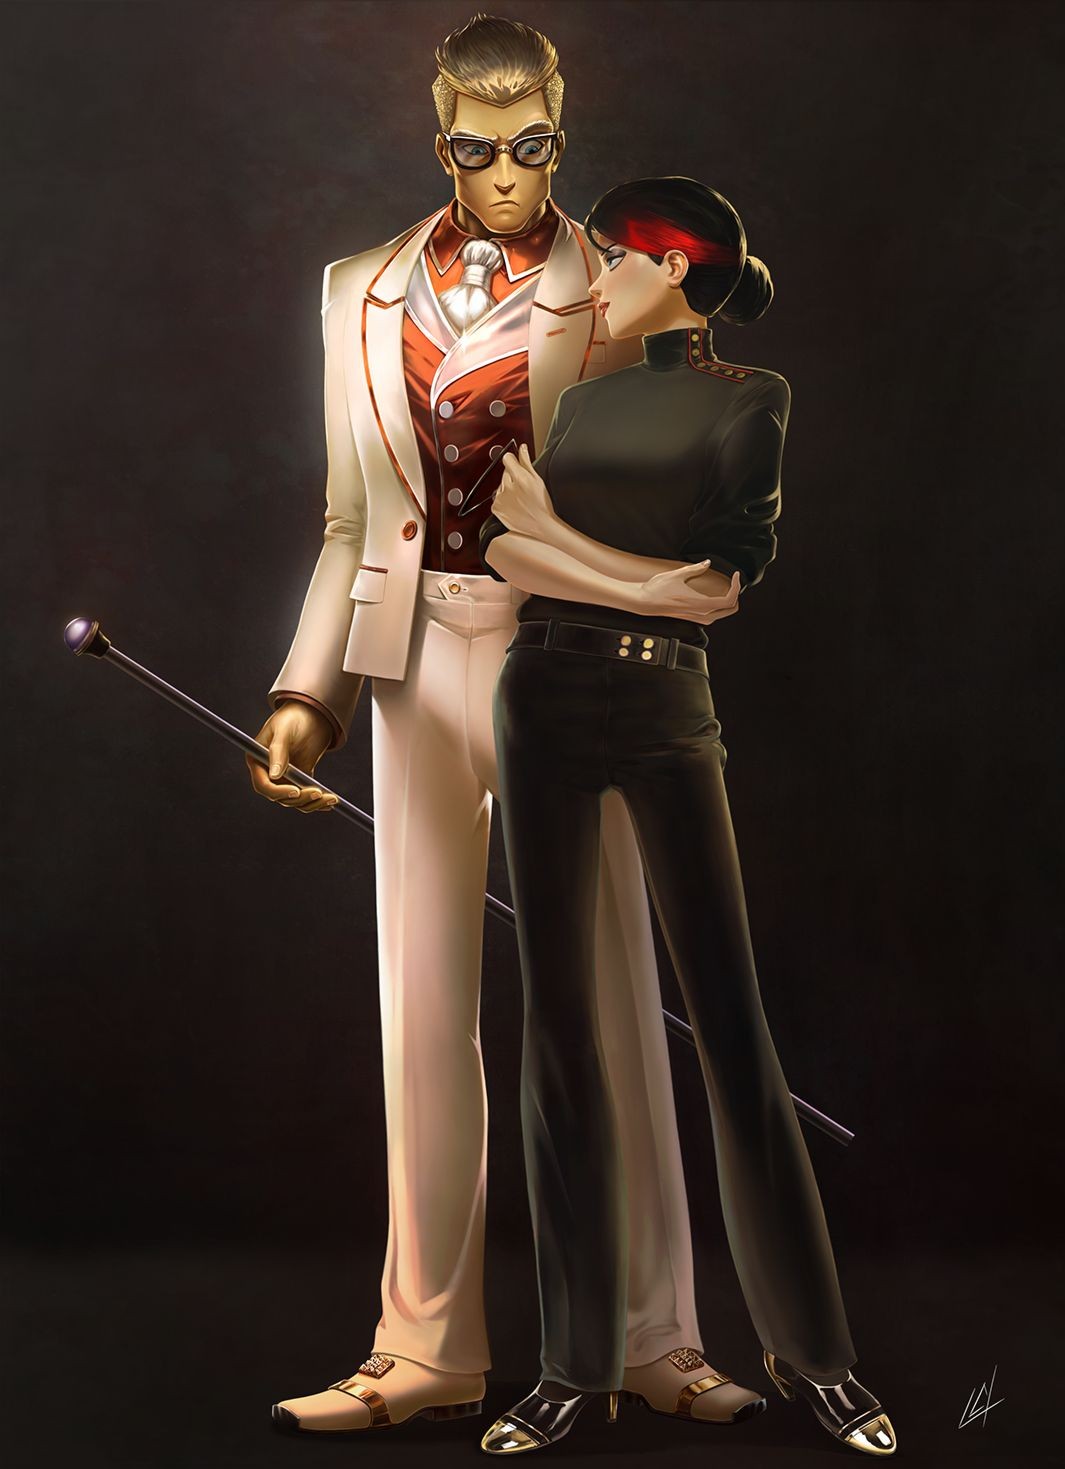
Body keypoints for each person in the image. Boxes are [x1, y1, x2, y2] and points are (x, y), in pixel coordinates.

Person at [247, 15, 757, 1437]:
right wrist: (304, 693)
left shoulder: (621, 289)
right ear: (441, 144)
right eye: (480, 150)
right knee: (421, 1008)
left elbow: (667, 484)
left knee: (609, 998)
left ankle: (655, 1334)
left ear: (560, 135)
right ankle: (423, 1345)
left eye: (533, 145)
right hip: (409, 659)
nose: (510, 174)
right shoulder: (354, 291)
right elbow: (349, 517)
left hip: (568, 663)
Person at [476, 176, 898, 1457]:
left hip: (667, 706)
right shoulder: (584, 402)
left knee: (731, 1025)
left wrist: (569, 544)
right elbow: (504, 553)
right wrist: (617, 572)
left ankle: (814, 1355)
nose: (592, 277)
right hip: (539, 696)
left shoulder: (749, 397)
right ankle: (571, 1365)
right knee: (556, 1032)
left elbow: (715, 591)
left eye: (611, 256)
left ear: (670, 267)